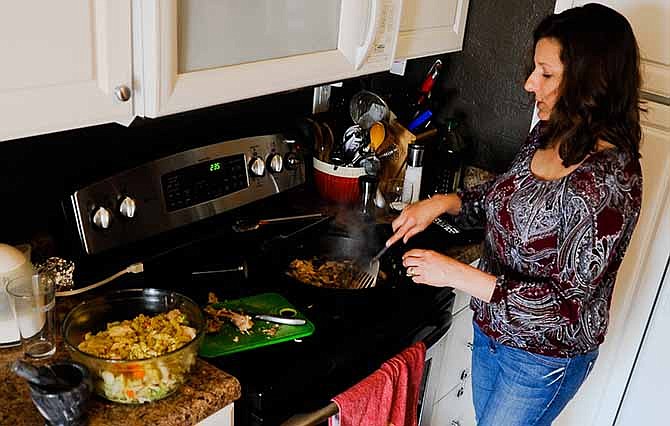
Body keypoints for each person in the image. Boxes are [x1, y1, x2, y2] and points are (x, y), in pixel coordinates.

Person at [386, 3, 643, 425]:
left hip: (542, 360)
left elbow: (564, 304)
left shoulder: (609, 182)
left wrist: (453, 274)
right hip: (491, 334)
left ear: (591, 82)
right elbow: (506, 196)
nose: (529, 84)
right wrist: (444, 203)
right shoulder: (549, 131)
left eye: (546, 74)